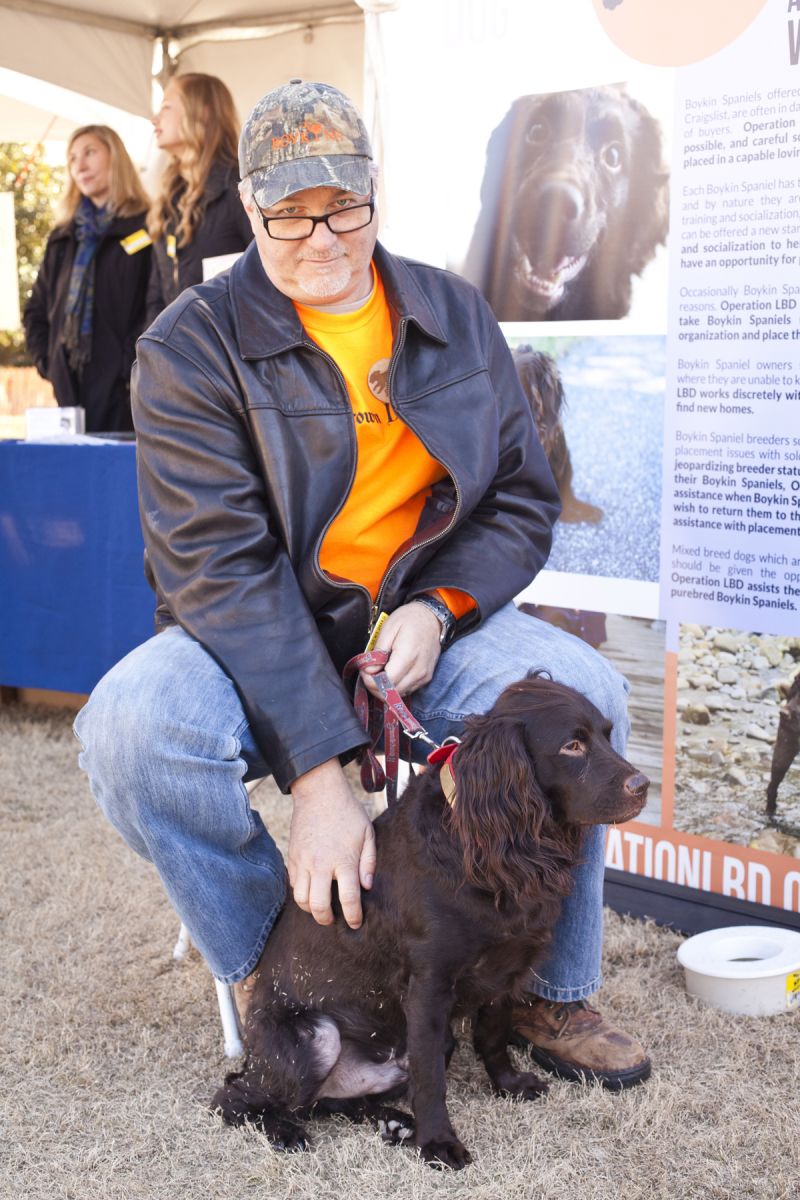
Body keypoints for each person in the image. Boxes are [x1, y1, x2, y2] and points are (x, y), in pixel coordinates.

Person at [75, 80, 650, 1092]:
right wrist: (317, 777)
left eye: (342, 206)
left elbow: (518, 497)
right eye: (289, 215)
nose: (322, 237)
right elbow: (221, 569)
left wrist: (438, 608)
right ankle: (293, 983)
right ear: (248, 207)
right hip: (256, 633)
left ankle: (546, 988)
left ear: (374, 192)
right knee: (130, 731)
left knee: (587, 695)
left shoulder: (451, 312)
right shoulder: (185, 348)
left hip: (423, 618)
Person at [23, 124, 151, 433]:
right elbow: (35, 311)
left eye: (90, 153)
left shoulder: (147, 227)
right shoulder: (63, 237)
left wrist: (128, 367)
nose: (79, 165)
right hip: (68, 388)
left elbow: (155, 304)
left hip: (126, 392)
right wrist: (49, 361)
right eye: (72, 158)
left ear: (115, 158)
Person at [146, 72, 253, 323]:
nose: (154, 119)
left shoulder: (240, 185)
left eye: (166, 107)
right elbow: (156, 291)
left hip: (228, 352)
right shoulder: (169, 196)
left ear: (202, 112)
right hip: (175, 353)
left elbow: (269, 277)